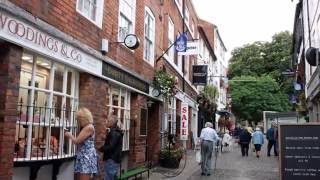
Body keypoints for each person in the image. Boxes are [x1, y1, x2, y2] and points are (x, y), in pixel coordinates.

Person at [64, 107, 98, 180]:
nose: (77, 121)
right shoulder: (88, 127)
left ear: (83, 118)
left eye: (78, 119)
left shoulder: (88, 127)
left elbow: (77, 141)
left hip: (86, 157)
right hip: (85, 156)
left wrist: (69, 135)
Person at [100, 115, 123, 180]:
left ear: (112, 122)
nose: (106, 122)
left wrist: (101, 148)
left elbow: (110, 146)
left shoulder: (114, 133)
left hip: (111, 159)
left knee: (109, 177)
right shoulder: (116, 131)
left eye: (108, 121)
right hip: (115, 158)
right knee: (113, 177)